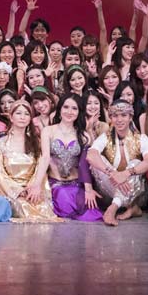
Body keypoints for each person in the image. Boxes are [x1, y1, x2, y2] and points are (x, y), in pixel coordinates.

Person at [0, 100, 63, 222]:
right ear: (11, 117)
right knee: (23, 207)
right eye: (18, 113)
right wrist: (17, 191)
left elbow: (39, 169)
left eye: (26, 114)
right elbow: (0, 173)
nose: (22, 117)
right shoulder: (1, 143)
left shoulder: (36, 142)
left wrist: (34, 187)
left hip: (32, 189)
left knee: (43, 210)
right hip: (11, 192)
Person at [85, 99, 148, 226]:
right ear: (111, 118)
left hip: (136, 193)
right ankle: (132, 209)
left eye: (123, 115)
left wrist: (126, 173)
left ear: (130, 117)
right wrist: (112, 173)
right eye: (115, 116)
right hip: (108, 191)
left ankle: (113, 208)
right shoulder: (105, 137)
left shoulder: (141, 138)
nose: (119, 119)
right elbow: (91, 155)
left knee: (136, 163)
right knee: (97, 161)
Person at [40, 94, 103, 222]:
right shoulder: (48, 131)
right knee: (64, 199)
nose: (69, 112)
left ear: (79, 112)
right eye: (66, 107)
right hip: (55, 184)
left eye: (74, 108)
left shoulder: (84, 136)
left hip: (76, 184)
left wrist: (89, 190)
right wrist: (36, 185)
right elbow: (45, 158)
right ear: (60, 109)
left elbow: (85, 165)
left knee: (90, 209)